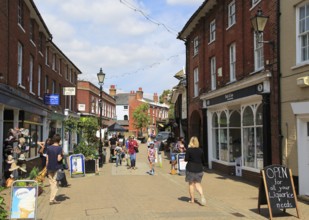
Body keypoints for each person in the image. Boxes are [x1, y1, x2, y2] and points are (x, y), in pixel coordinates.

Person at [184, 136, 206, 206]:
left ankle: (192, 199)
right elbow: (203, 161)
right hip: (199, 169)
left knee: (191, 184)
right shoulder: (200, 150)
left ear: (190, 142)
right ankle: (202, 196)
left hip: (190, 169)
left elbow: (186, 159)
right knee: (197, 184)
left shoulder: (189, 150)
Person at [46, 134, 63, 205]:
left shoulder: (49, 148)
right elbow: (58, 159)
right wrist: (62, 155)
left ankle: (53, 199)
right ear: (59, 140)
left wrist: (46, 167)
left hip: (49, 167)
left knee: (51, 183)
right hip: (56, 167)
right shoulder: (59, 148)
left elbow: (47, 158)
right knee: (55, 183)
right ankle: (52, 199)